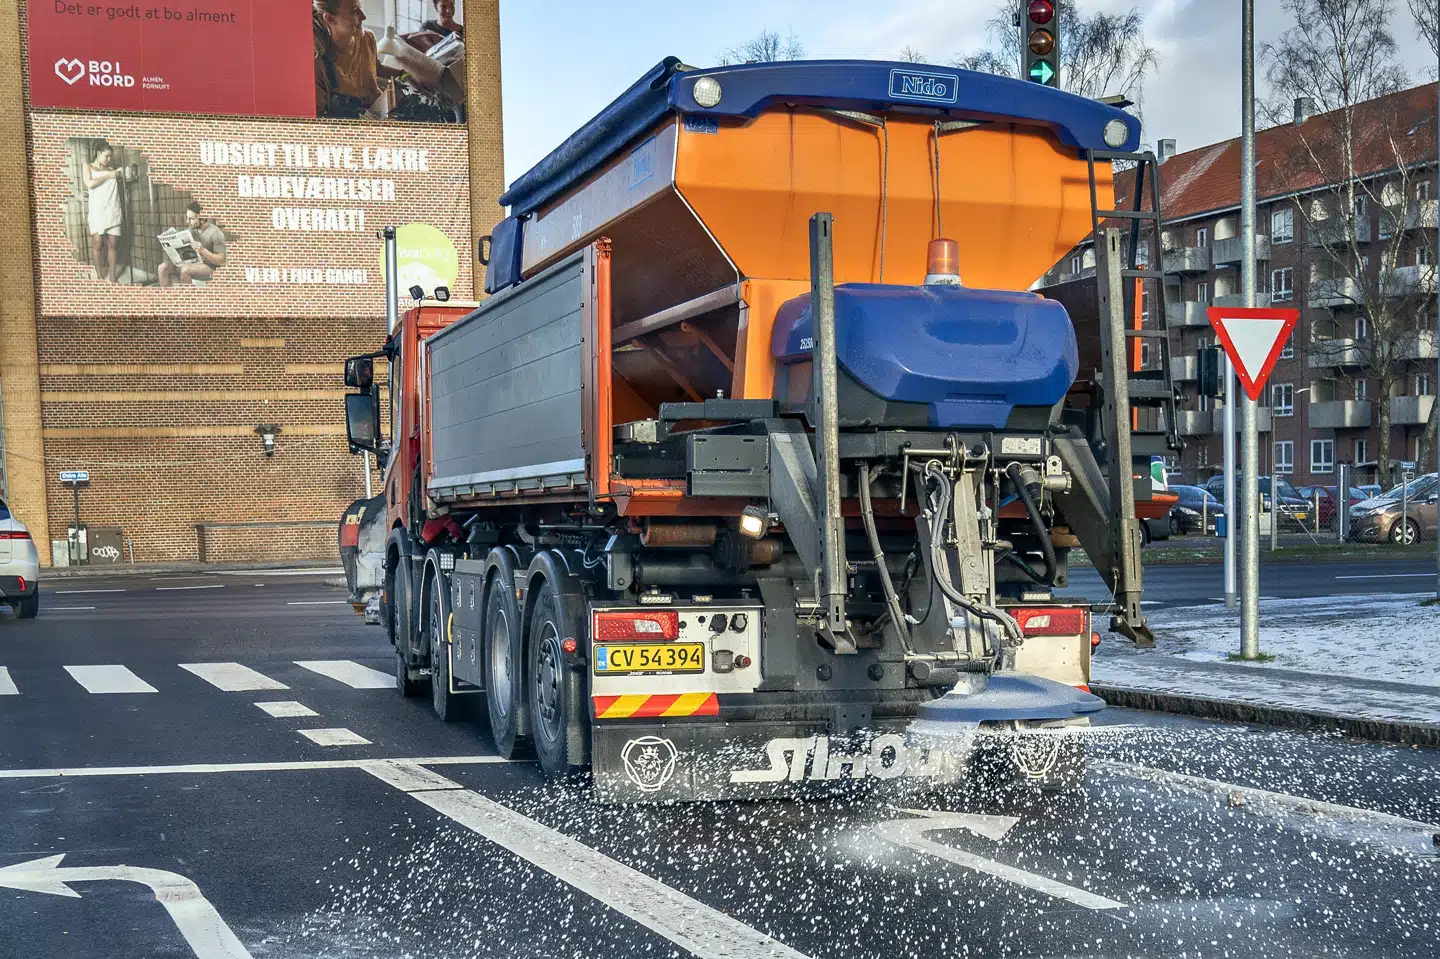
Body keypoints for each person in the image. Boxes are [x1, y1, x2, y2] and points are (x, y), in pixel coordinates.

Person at [313, 0, 383, 118]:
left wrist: (404, 74)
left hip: (381, 113)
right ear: (330, 19)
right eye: (354, 11)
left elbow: (377, 67)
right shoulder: (319, 64)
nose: (364, 16)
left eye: (360, 8)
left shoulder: (368, 38)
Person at [157, 202, 227, 288]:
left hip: (210, 268)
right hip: (192, 263)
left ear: (202, 219)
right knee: (163, 267)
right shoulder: (192, 229)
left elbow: (222, 261)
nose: (187, 221)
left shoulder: (216, 233)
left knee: (186, 270)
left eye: (191, 219)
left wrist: (203, 250)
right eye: (187, 218)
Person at [83, 142, 124, 283]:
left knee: (113, 244)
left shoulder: (111, 169)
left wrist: (117, 174)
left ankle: (112, 277)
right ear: (99, 153)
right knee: (98, 244)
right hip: (97, 212)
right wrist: (109, 176)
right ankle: (100, 276)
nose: (109, 160)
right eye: (106, 156)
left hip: (112, 209)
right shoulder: (88, 166)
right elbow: (89, 184)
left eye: (110, 157)